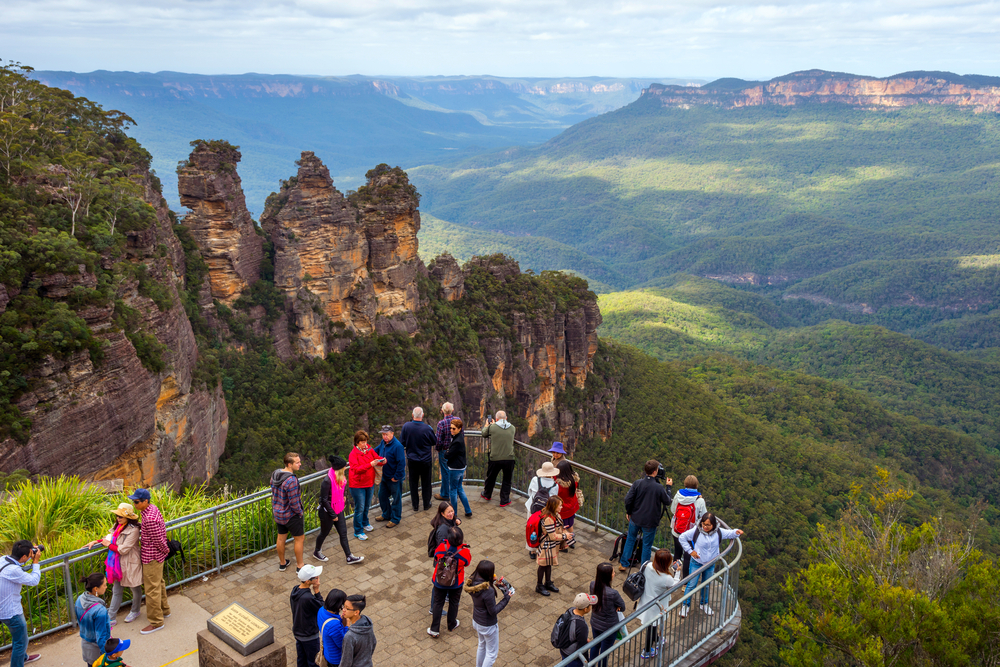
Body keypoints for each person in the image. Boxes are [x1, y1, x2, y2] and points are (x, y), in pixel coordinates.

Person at [85, 503, 142, 625]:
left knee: (135, 588)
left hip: (130, 563)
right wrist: (97, 541)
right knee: (116, 590)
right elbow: (110, 538)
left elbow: (124, 549)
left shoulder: (134, 530)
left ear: (129, 517)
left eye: (120, 516)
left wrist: (108, 545)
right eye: (117, 515)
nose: (118, 518)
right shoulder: (118, 527)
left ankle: (135, 610)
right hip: (117, 564)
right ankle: (111, 617)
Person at [679, 513, 744, 618]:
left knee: (706, 584)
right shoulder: (696, 531)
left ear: (714, 525)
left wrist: (737, 532)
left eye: (708, 525)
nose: (705, 527)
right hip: (696, 562)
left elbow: (730, 533)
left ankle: (704, 604)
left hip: (710, 563)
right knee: (691, 585)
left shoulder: (718, 532)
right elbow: (682, 537)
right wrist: (690, 551)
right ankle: (685, 606)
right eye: (704, 524)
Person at [128, 488, 171, 635]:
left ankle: (156, 622)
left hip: (151, 557)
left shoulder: (149, 518)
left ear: (145, 501)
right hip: (156, 556)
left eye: (137, 502)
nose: (134, 504)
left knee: (151, 589)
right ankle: (165, 610)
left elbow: (158, 539)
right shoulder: (151, 509)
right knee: (158, 583)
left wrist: (165, 550)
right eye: (133, 501)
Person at [618, 461, 672, 572]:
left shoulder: (637, 483)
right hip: (650, 522)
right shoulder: (658, 488)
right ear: (655, 471)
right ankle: (643, 570)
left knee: (630, 539)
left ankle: (623, 564)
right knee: (647, 546)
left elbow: (628, 499)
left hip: (635, 518)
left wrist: (629, 512)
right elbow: (667, 501)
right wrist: (669, 488)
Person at [314, 456, 364, 565]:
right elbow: (324, 500)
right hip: (327, 512)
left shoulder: (340, 478)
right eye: (344, 467)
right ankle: (317, 551)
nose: (346, 468)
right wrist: (332, 514)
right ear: (339, 469)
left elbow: (342, 489)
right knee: (324, 533)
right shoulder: (327, 481)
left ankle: (349, 556)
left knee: (343, 533)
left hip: (339, 507)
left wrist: (343, 497)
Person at [0, 540, 42, 666]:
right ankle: (18, 662)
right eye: (30, 554)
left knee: (17, 637)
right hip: (12, 612)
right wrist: (35, 562)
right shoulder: (14, 570)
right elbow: (34, 580)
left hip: (3, 608)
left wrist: (29, 552)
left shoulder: (3, 559)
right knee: (21, 642)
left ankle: (23, 657)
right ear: (23, 557)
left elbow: (19, 562)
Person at [464, 560, 512, 667]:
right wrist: (506, 598)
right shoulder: (488, 591)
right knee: (491, 654)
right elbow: (493, 611)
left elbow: (484, 588)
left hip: (477, 621)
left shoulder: (472, 582)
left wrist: (493, 582)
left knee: (482, 645)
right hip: (487, 625)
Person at [428, 526, 471, 637]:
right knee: (453, 603)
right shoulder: (464, 552)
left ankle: (434, 630)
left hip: (440, 580)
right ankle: (451, 624)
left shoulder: (442, 547)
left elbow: (437, 558)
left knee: (438, 603)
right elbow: (467, 563)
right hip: (455, 582)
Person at [638, 550, 678, 659]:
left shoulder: (647, 565)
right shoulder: (667, 578)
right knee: (651, 628)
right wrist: (677, 572)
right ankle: (646, 650)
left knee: (653, 626)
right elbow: (675, 586)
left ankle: (657, 639)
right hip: (656, 607)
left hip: (646, 600)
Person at [271, 453, 305, 572]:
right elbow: (294, 502)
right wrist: (300, 512)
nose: (300, 464)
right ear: (289, 464)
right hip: (291, 515)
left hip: (278, 513)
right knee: (299, 539)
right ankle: (300, 566)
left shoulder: (275, 474)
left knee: (281, 538)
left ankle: (282, 563)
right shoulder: (291, 480)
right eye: (297, 462)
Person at [348, 430, 384, 541]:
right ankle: (358, 531)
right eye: (362, 442)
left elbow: (376, 457)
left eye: (365, 442)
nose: (365, 444)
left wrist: (382, 461)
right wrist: (370, 464)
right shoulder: (353, 454)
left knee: (366, 505)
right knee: (360, 507)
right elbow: (356, 469)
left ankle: (365, 523)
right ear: (357, 442)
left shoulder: (369, 449)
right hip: (357, 485)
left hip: (369, 482)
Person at [588, 563, 626, 667]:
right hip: (609, 628)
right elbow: (622, 607)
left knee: (595, 645)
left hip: (595, 623)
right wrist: (616, 607)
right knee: (604, 653)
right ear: (608, 576)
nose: (614, 574)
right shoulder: (613, 593)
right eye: (613, 572)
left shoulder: (592, 585)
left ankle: (591, 665)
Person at [670, 475, 708, 579]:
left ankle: (675, 577)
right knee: (687, 557)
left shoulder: (678, 495)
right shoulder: (699, 500)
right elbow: (704, 517)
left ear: (685, 484)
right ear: (696, 486)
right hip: (690, 533)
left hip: (677, 530)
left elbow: (673, 510)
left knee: (677, 553)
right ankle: (685, 582)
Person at [401, 407, 436, 512]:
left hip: (412, 460)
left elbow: (402, 442)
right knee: (426, 482)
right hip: (425, 460)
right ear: (423, 415)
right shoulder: (427, 428)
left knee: (413, 483)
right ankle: (426, 504)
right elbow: (434, 441)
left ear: (412, 415)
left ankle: (415, 505)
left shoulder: (406, 427)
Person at [536, 496, 572, 596]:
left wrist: (561, 529)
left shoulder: (555, 515)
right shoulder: (549, 519)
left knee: (549, 563)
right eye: (560, 505)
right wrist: (565, 535)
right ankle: (539, 585)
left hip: (551, 545)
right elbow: (552, 536)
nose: (561, 507)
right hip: (547, 545)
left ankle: (547, 582)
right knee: (543, 565)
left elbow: (554, 530)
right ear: (554, 506)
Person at [290, 564, 324, 667]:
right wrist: (317, 591)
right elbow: (322, 608)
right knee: (313, 662)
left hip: (298, 632)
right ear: (308, 581)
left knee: (301, 660)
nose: (318, 578)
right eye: (315, 577)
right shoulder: (308, 598)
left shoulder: (295, 590)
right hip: (309, 635)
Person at [479, 411, 515, 507]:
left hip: (495, 458)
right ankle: (504, 500)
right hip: (509, 458)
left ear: (497, 419)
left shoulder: (492, 427)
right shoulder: (512, 428)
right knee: (507, 480)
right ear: (506, 418)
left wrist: (487, 425)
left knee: (491, 477)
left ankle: (487, 494)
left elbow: (484, 434)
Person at [525, 461, 559, 559]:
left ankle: (531, 550)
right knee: (542, 530)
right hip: (545, 512)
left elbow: (529, 492)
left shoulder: (535, 479)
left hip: (532, 508)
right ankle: (540, 548)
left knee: (531, 527)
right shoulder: (554, 485)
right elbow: (554, 500)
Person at [76, 572, 111, 667]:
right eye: (104, 585)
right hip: (98, 653)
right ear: (96, 589)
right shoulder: (100, 610)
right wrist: (109, 656)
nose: (106, 587)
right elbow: (101, 638)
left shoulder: (79, 600)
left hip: (86, 648)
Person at [375, 425, 406, 528]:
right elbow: (376, 451)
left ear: (392, 434)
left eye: (386, 434)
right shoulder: (383, 443)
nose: (385, 437)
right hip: (385, 476)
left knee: (396, 498)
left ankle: (395, 519)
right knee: (382, 496)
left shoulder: (397, 446)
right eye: (383, 434)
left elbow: (401, 463)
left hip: (394, 478)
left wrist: (396, 477)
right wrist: (366, 453)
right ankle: (386, 514)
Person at [558, 593, 597, 667]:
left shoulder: (570, 610)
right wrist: (586, 662)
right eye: (590, 605)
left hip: (564, 650)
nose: (591, 607)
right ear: (585, 609)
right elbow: (582, 648)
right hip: (573, 657)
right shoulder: (582, 626)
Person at [446, 418, 473, 518]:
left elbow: (447, 455)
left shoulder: (457, 441)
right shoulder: (459, 437)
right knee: (460, 489)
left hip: (455, 468)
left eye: (454, 428)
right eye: (450, 428)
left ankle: (454, 514)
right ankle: (468, 510)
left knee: (453, 490)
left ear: (459, 429)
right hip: (461, 467)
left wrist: (446, 452)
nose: (451, 430)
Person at [340, 594, 376, 667]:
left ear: (356, 612)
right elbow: (374, 642)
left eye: (347, 608)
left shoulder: (349, 636)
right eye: (344, 606)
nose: (343, 610)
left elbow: (346, 662)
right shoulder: (368, 624)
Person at [555, 460, 581, 551]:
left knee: (562, 527)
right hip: (572, 507)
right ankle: (572, 539)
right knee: (570, 524)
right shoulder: (574, 480)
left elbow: (556, 495)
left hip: (563, 509)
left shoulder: (560, 485)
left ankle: (564, 545)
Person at [318, 589, 348, 667]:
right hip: (336, 659)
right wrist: (347, 626)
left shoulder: (321, 610)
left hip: (327, 651)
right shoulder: (334, 625)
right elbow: (342, 644)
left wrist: (340, 619)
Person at [434, 403, 457, 501]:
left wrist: (438, 449)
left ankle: (445, 494)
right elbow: (462, 434)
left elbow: (438, 440)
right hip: (455, 450)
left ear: (442, 410)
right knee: (455, 471)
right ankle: (455, 492)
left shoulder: (441, 423)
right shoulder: (458, 421)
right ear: (453, 410)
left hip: (444, 451)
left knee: (445, 472)